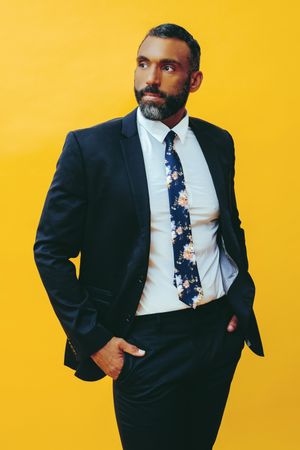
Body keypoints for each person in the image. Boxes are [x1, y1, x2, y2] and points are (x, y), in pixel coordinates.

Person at [33, 23, 264, 450]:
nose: (150, 79)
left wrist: (239, 299)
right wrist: (95, 340)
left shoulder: (216, 143)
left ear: (194, 80)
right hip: (145, 345)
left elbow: (226, 225)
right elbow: (50, 252)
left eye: (167, 67)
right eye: (143, 64)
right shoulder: (91, 148)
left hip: (216, 335)